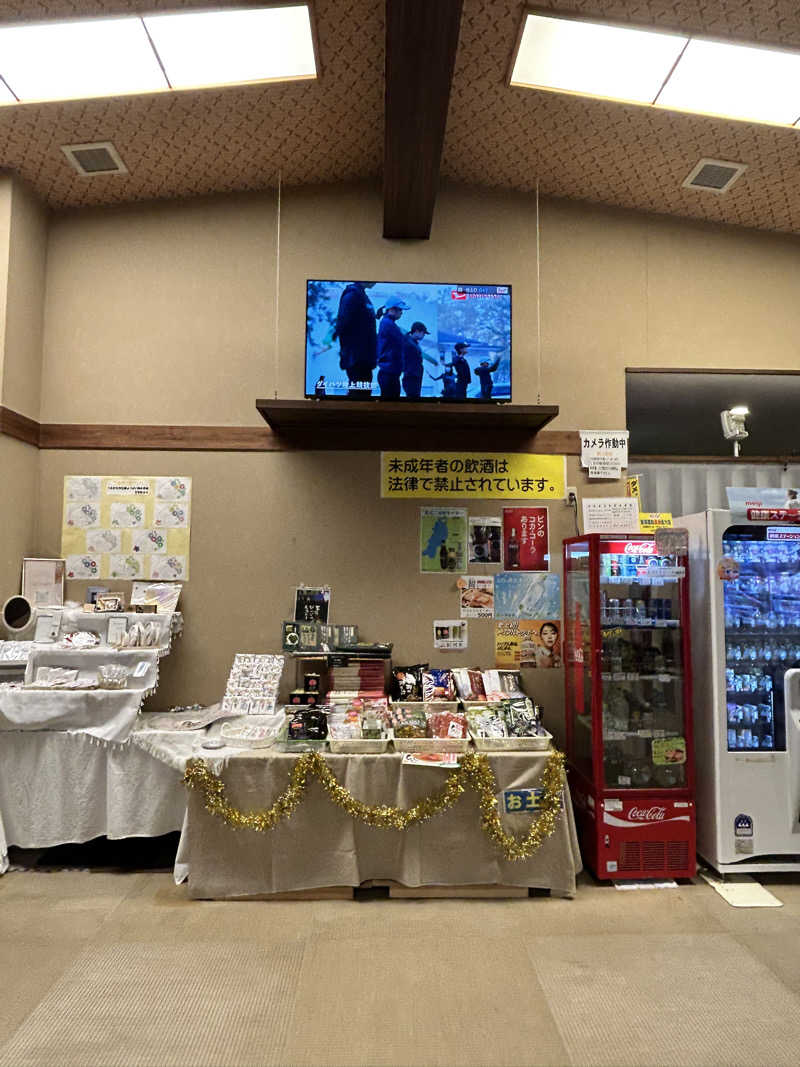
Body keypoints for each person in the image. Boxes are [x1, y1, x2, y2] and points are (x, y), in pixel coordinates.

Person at [334, 282, 378, 397]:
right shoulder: (352, 295)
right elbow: (343, 323)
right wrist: (347, 353)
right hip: (357, 359)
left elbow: (361, 323)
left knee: (364, 394)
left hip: (364, 359)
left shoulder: (362, 295)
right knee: (358, 396)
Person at [376, 295, 409, 399]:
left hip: (390, 373)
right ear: (392, 309)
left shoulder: (388, 323)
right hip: (388, 374)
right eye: (400, 310)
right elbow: (403, 342)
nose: (401, 313)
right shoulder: (388, 324)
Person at [401, 321, 430, 400]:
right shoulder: (408, 343)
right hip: (411, 377)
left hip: (414, 376)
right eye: (423, 333)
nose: (424, 335)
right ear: (417, 331)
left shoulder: (412, 342)